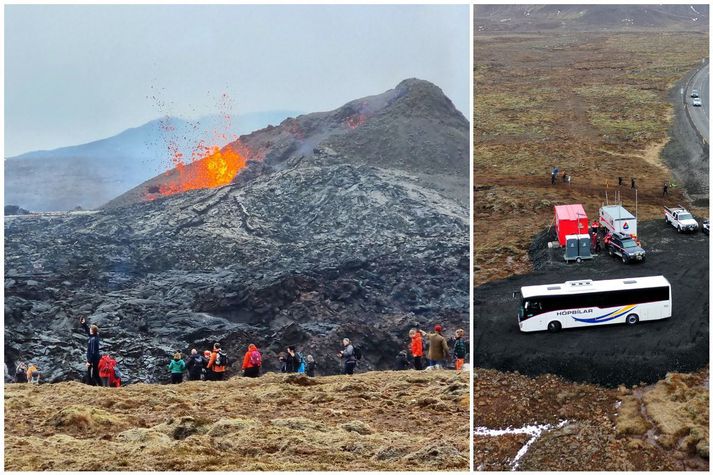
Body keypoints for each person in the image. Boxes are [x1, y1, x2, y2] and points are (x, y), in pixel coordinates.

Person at [80, 317, 102, 386]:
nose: (89, 329)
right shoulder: (95, 336)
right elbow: (88, 332)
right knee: (95, 374)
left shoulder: (93, 340)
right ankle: (99, 386)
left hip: (93, 359)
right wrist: (84, 324)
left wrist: (89, 361)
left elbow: (93, 352)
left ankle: (92, 385)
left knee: (92, 373)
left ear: (92, 331)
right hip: (95, 359)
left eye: (90, 329)